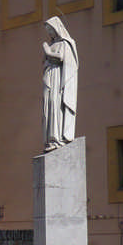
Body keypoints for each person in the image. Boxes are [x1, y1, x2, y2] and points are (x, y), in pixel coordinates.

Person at [42, 16, 78, 152]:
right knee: (48, 107)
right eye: (48, 30)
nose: (49, 33)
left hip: (58, 78)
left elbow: (63, 59)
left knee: (56, 104)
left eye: (51, 29)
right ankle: (49, 138)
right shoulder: (51, 44)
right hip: (49, 77)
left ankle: (57, 137)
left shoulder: (65, 43)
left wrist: (47, 51)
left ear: (57, 29)